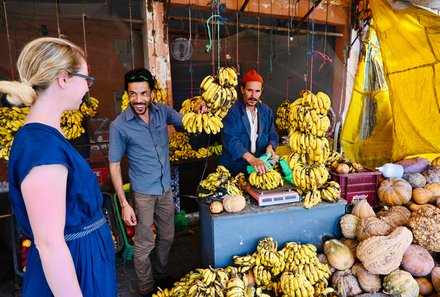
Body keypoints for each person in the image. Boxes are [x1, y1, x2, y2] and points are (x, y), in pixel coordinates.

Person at [1, 37, 117, 296]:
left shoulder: (47, 136)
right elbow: (50, 244)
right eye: (86, 79)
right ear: (63, 79)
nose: (88, 88)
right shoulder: (42, 150)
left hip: (84, 261)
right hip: (75, 270)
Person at [108, 68, 184, 297]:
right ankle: (146, 287)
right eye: (133, 94)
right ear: (127, 94)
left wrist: (199, 111)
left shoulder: (162, 112)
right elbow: (113, 166)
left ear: (151, 93)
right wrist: (124, 203)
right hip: (143, 194)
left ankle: (160, 274)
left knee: (168, 236)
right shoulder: (119, 126)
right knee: (144, 244)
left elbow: (185, 122)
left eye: (143, 93)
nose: (138, 100)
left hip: (165, 188)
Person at [220, 69, 279, 175]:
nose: (253, 95)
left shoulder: (266, 111)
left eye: (257, 91)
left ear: (262, 91)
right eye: (249, 90)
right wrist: (252, 160)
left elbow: (272, 135)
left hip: (258, 169)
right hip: (234, 168)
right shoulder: (231, 111)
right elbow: (231, 140)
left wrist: (271, 146)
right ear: (242, 89)